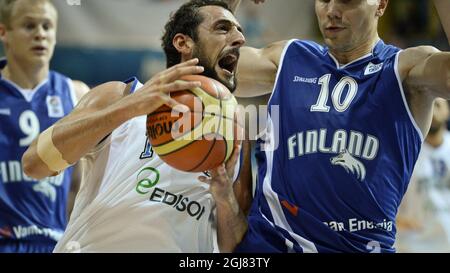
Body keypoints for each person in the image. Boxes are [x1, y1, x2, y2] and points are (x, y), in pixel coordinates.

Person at [22, 0, 252, 253]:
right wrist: (128, 108)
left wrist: (224, 196)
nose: (239, 38)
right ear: (183, 43)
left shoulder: (237, 134)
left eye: (240, 30)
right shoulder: (121, 95)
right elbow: (35, 164)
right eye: (223, 28)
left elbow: (235, 249)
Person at [224, 0, 450, 252]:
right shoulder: (290, 57)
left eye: (346, 0)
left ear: (381, 5)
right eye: (323, 0)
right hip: (270, 245)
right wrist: (227, 5)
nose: (331, 11)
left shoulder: (405, 70)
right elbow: (212, 64)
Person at [0, 0, 89, 253]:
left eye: (47, 26)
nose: (40, 33)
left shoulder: (76, 93)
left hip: (55, 242)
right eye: (29, 26)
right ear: (4, 33)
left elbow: (81, 183)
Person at [396, 98, 450, 252]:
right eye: (429, 105)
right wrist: (395, 219)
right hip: (413, 244)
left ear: (448, 111)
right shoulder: (405, 149)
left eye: (438, 105)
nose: (433, 111)